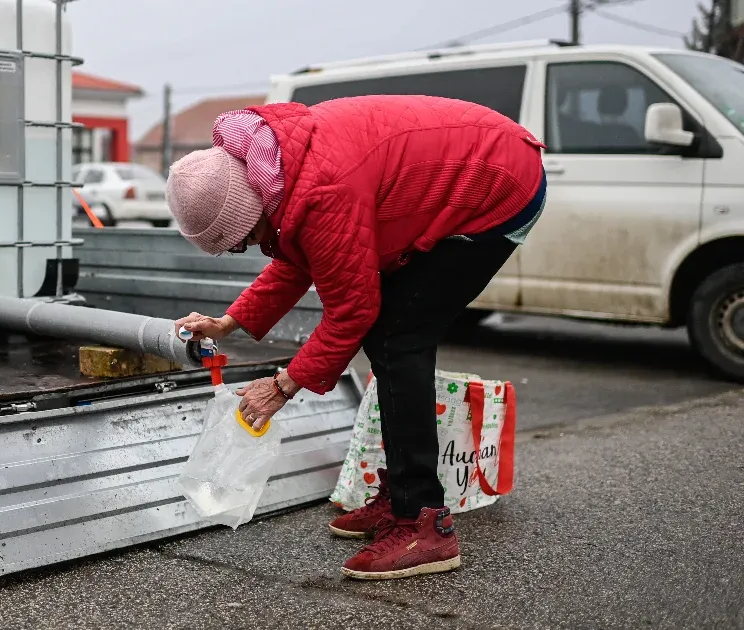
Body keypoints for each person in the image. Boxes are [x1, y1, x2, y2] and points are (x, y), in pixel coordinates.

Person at [168, 95, 546, 580]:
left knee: (398, 337)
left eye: (241, 240)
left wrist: (282, 386)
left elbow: (352, 312)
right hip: (476, 162)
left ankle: (422, 524)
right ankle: (404, 496)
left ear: (250, 206)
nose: (248, 249)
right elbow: (297, 255)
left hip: (497, 186)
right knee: (389, 334)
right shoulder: (277, 168)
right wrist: (229, 322)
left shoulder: (322, 191)